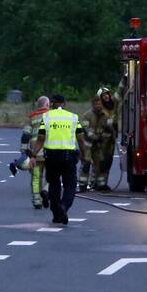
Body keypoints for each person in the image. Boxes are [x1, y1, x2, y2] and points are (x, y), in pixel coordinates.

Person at [32, 94, 87, 225]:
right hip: (68, 157)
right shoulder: (73, 117)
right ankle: (64, 206)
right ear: (65, 103)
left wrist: (33, 155)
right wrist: (84, 155)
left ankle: (56, 214)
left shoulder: (46, 117)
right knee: (70, 185)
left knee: (54, 185)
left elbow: (40, 139)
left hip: (51, 157)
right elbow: (80, 138)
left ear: (52, 104)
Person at [79, 81, 124, 192]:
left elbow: (119, 94)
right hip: (98, 142)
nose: (106, 97)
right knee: (89, 163)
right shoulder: (91, 114)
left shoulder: (112, 106)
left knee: (105, 163)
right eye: (103, 96)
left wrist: (124, 80)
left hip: (109, 140)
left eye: (107, 94)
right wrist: (97, 137)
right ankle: (87, 184)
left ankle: (101, 184)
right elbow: (88, 129)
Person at [9, 95, 51, 209]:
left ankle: (37, 201)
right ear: (47, 105)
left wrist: (23, 151)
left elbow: (26, 135)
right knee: (52, 175)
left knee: (36, 177)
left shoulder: (32, 117)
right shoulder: (52, 115)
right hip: (51, 151)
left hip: (35, 153)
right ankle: (46, 190)